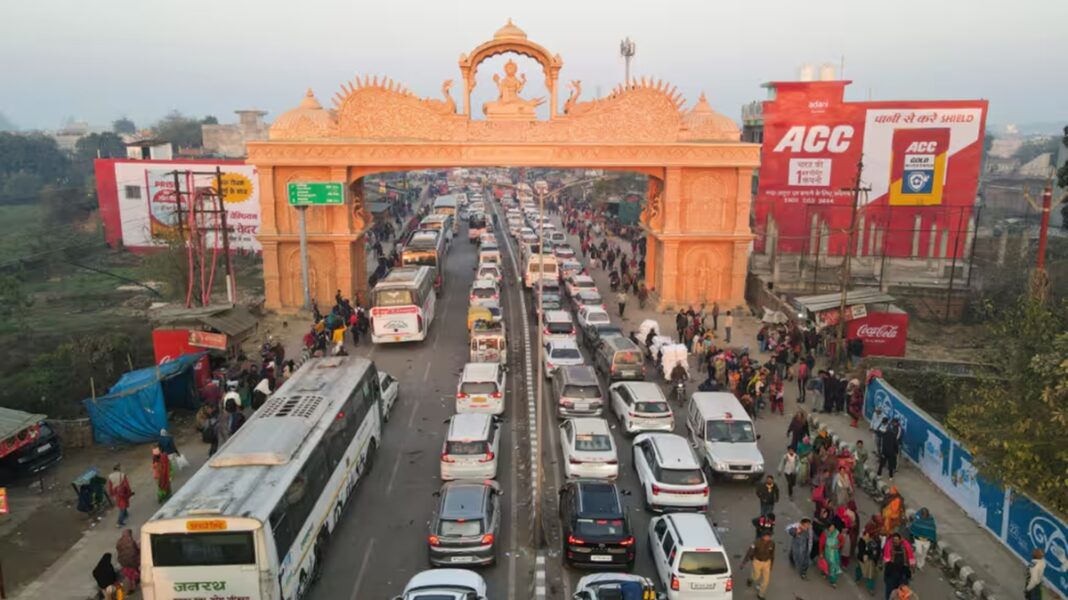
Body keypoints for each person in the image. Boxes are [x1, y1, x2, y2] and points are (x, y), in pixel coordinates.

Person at [741, 531, 775, 600]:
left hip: (767, 562)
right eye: (766, 536)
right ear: (763, 536)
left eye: (769, 536)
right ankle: (750, 579)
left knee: (766, 580)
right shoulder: (756, 543)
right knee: (756, 576)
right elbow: (749, 552)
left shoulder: (772, 543)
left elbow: (772, 554)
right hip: (757, 562)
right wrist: (744, 562)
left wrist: (771, 564)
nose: (768, 538)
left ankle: (761, 594)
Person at [882, 533, 916, 600]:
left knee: (902, 591)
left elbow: (910, 557)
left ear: (900, 540)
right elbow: (886, 559)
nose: (895, 541)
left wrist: (910, 571)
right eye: (894, 539)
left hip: (902, 572)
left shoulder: (905, 546)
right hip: (892, 572)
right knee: (889, 590)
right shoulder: (889, 546)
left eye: (897, 539)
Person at [855, 526, 881, 594]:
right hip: (864, 558)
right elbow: (861, 550)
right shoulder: (863, 539)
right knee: (860, 569)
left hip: (871, 560)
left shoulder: (877, 540)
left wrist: (876, 558)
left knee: (871, 574)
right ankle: (858, 578)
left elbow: (878, 551)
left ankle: (871, 588)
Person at [820, 521, 845, 588]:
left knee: (833, 567)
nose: (832, 528)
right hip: (826, 553)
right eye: (831, 527)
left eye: (833, 527)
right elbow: (821, 544)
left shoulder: (838, 534)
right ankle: (824, 573)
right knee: (826, 565)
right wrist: (821, 553)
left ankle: (833, 581)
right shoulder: (825, 534)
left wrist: (838, 546)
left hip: (834, 554)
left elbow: (842, 541)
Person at [116, 529, 140, 593]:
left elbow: (117, 548)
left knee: (128, 575)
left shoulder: (119, 541)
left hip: (123, 561)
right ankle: (133, 587)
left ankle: (130, 588)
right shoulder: (131, 542)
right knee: (132, 575)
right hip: (132, 561)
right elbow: (135, 550)